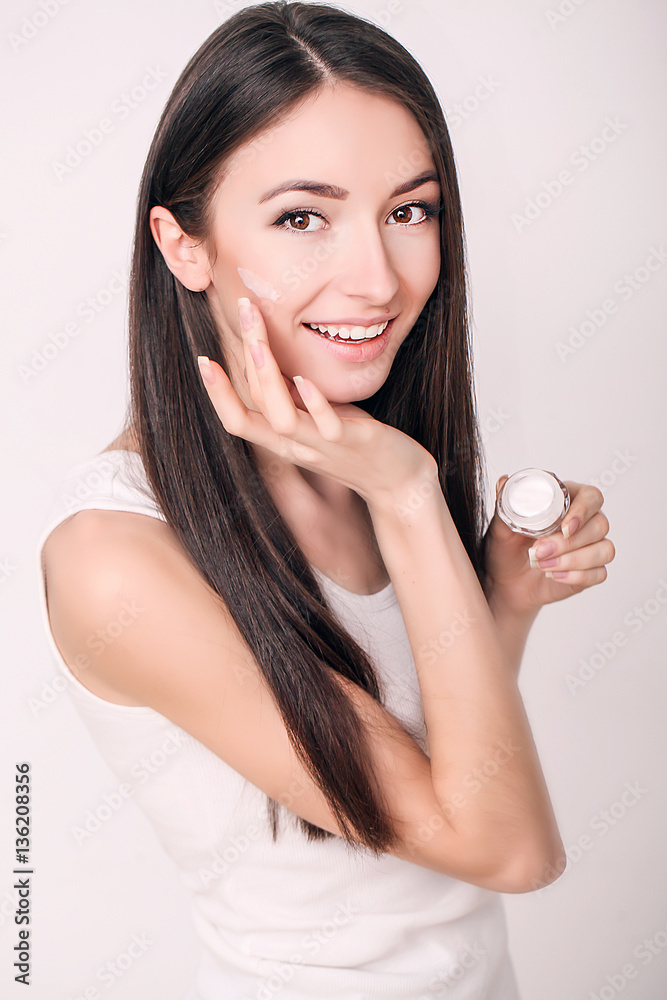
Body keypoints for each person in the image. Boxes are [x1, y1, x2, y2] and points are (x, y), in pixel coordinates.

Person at [37, 3, 615, 998]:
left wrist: (502, 597)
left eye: (409, 210)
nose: (378, 277)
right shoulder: (116, 554)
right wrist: (409, 496)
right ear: (185, 247)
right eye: (302, 216)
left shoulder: (352, 452)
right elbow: (510, 849)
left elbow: (449, 778)